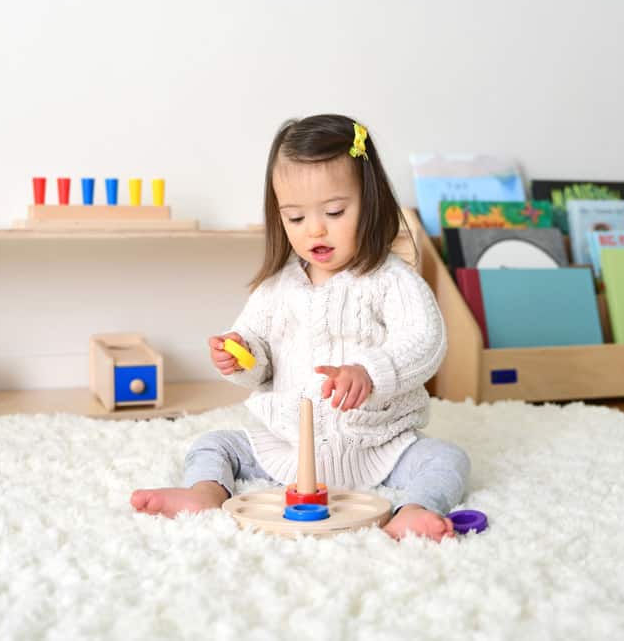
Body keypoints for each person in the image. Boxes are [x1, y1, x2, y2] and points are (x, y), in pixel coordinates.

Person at [131, 114, 470, 541]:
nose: (315, 229)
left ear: (371, 202)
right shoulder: (277, 288)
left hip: (378, 447)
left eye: (334, 211)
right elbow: (258, 355)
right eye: (294, 218)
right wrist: (240, 354)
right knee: (214, 444)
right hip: (287, 448)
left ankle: (414, 511)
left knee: (448, 459)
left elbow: (426, 340)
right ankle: (204, 493)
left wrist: (371, 371)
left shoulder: (390, 281)